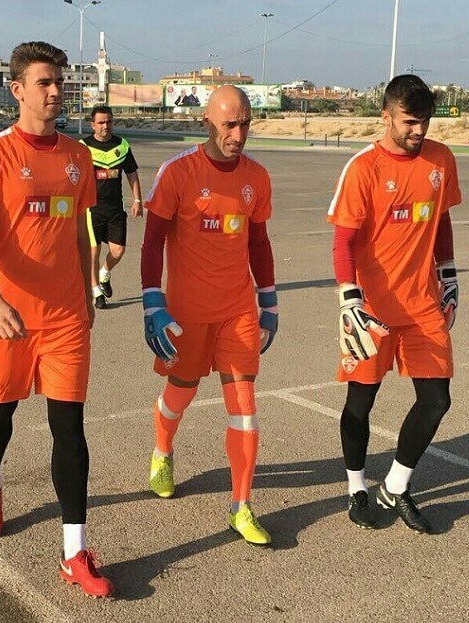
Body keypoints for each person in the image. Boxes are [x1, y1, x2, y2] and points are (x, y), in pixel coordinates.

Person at [0, 41, 113, 598]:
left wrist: (91, 288)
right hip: (11, 318)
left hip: (67, 315)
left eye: (59, 83)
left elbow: (77, 231)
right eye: (44, 83)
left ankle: (74, 551)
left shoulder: (76, 156)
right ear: (17, 89)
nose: (55, 92)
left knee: (69, 428)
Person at [141, 85, 279, 545]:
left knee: (244, 408)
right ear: (207, 121)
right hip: (186, 314)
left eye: (244, 124)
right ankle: (162, 450)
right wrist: (152, 301)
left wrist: (269, 303)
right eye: (229, 125)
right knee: (179, 393)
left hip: (237, 312)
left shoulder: (256, 178)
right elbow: (152, 240)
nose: (238, 134)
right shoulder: (178, 171)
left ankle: (240, 506)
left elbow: (258, 243)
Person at [326, 74, 461, 534]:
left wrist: (448, 273)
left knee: (436, 400)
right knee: (360, 403)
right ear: (386, 116)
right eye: (408, 122)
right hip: (373, 310)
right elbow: (342, 241)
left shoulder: (441, 159)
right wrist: (349, 300)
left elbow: (440, 219)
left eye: (424, 121)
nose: (418, 131)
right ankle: (356, 488)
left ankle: (397, 486)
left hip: (423, 304)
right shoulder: (364, 168)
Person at [81, 105, 144, 309]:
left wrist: (137, 200)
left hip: (115, 208)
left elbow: (131, 173)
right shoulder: (83, 147)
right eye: (100, 122)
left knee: (118, 251)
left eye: (108, 122)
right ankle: (96, 291)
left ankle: (104, 273)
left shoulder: (122, 145)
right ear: (93, 125)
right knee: (93, 251)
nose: (105, 126)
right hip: (91, 209)